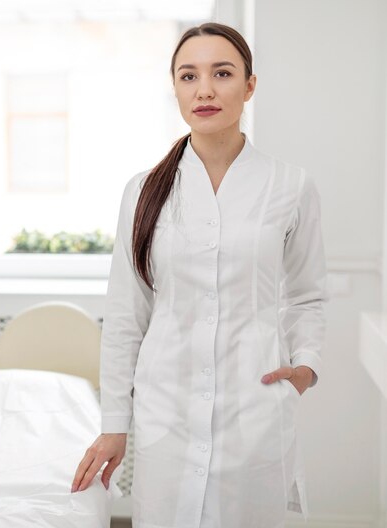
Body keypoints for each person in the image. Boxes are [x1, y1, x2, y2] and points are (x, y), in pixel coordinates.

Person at [70, 22, 329, 528]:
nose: (204, 89)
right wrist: (114, 425)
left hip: (254, 412)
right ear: (175, 88)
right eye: (189, 76)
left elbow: (307, 296)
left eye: (222, 73)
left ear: (250, 85)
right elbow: (127, 315)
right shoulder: (142, 191)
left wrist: (306, 366)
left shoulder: (291, 187)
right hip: (166, 415)